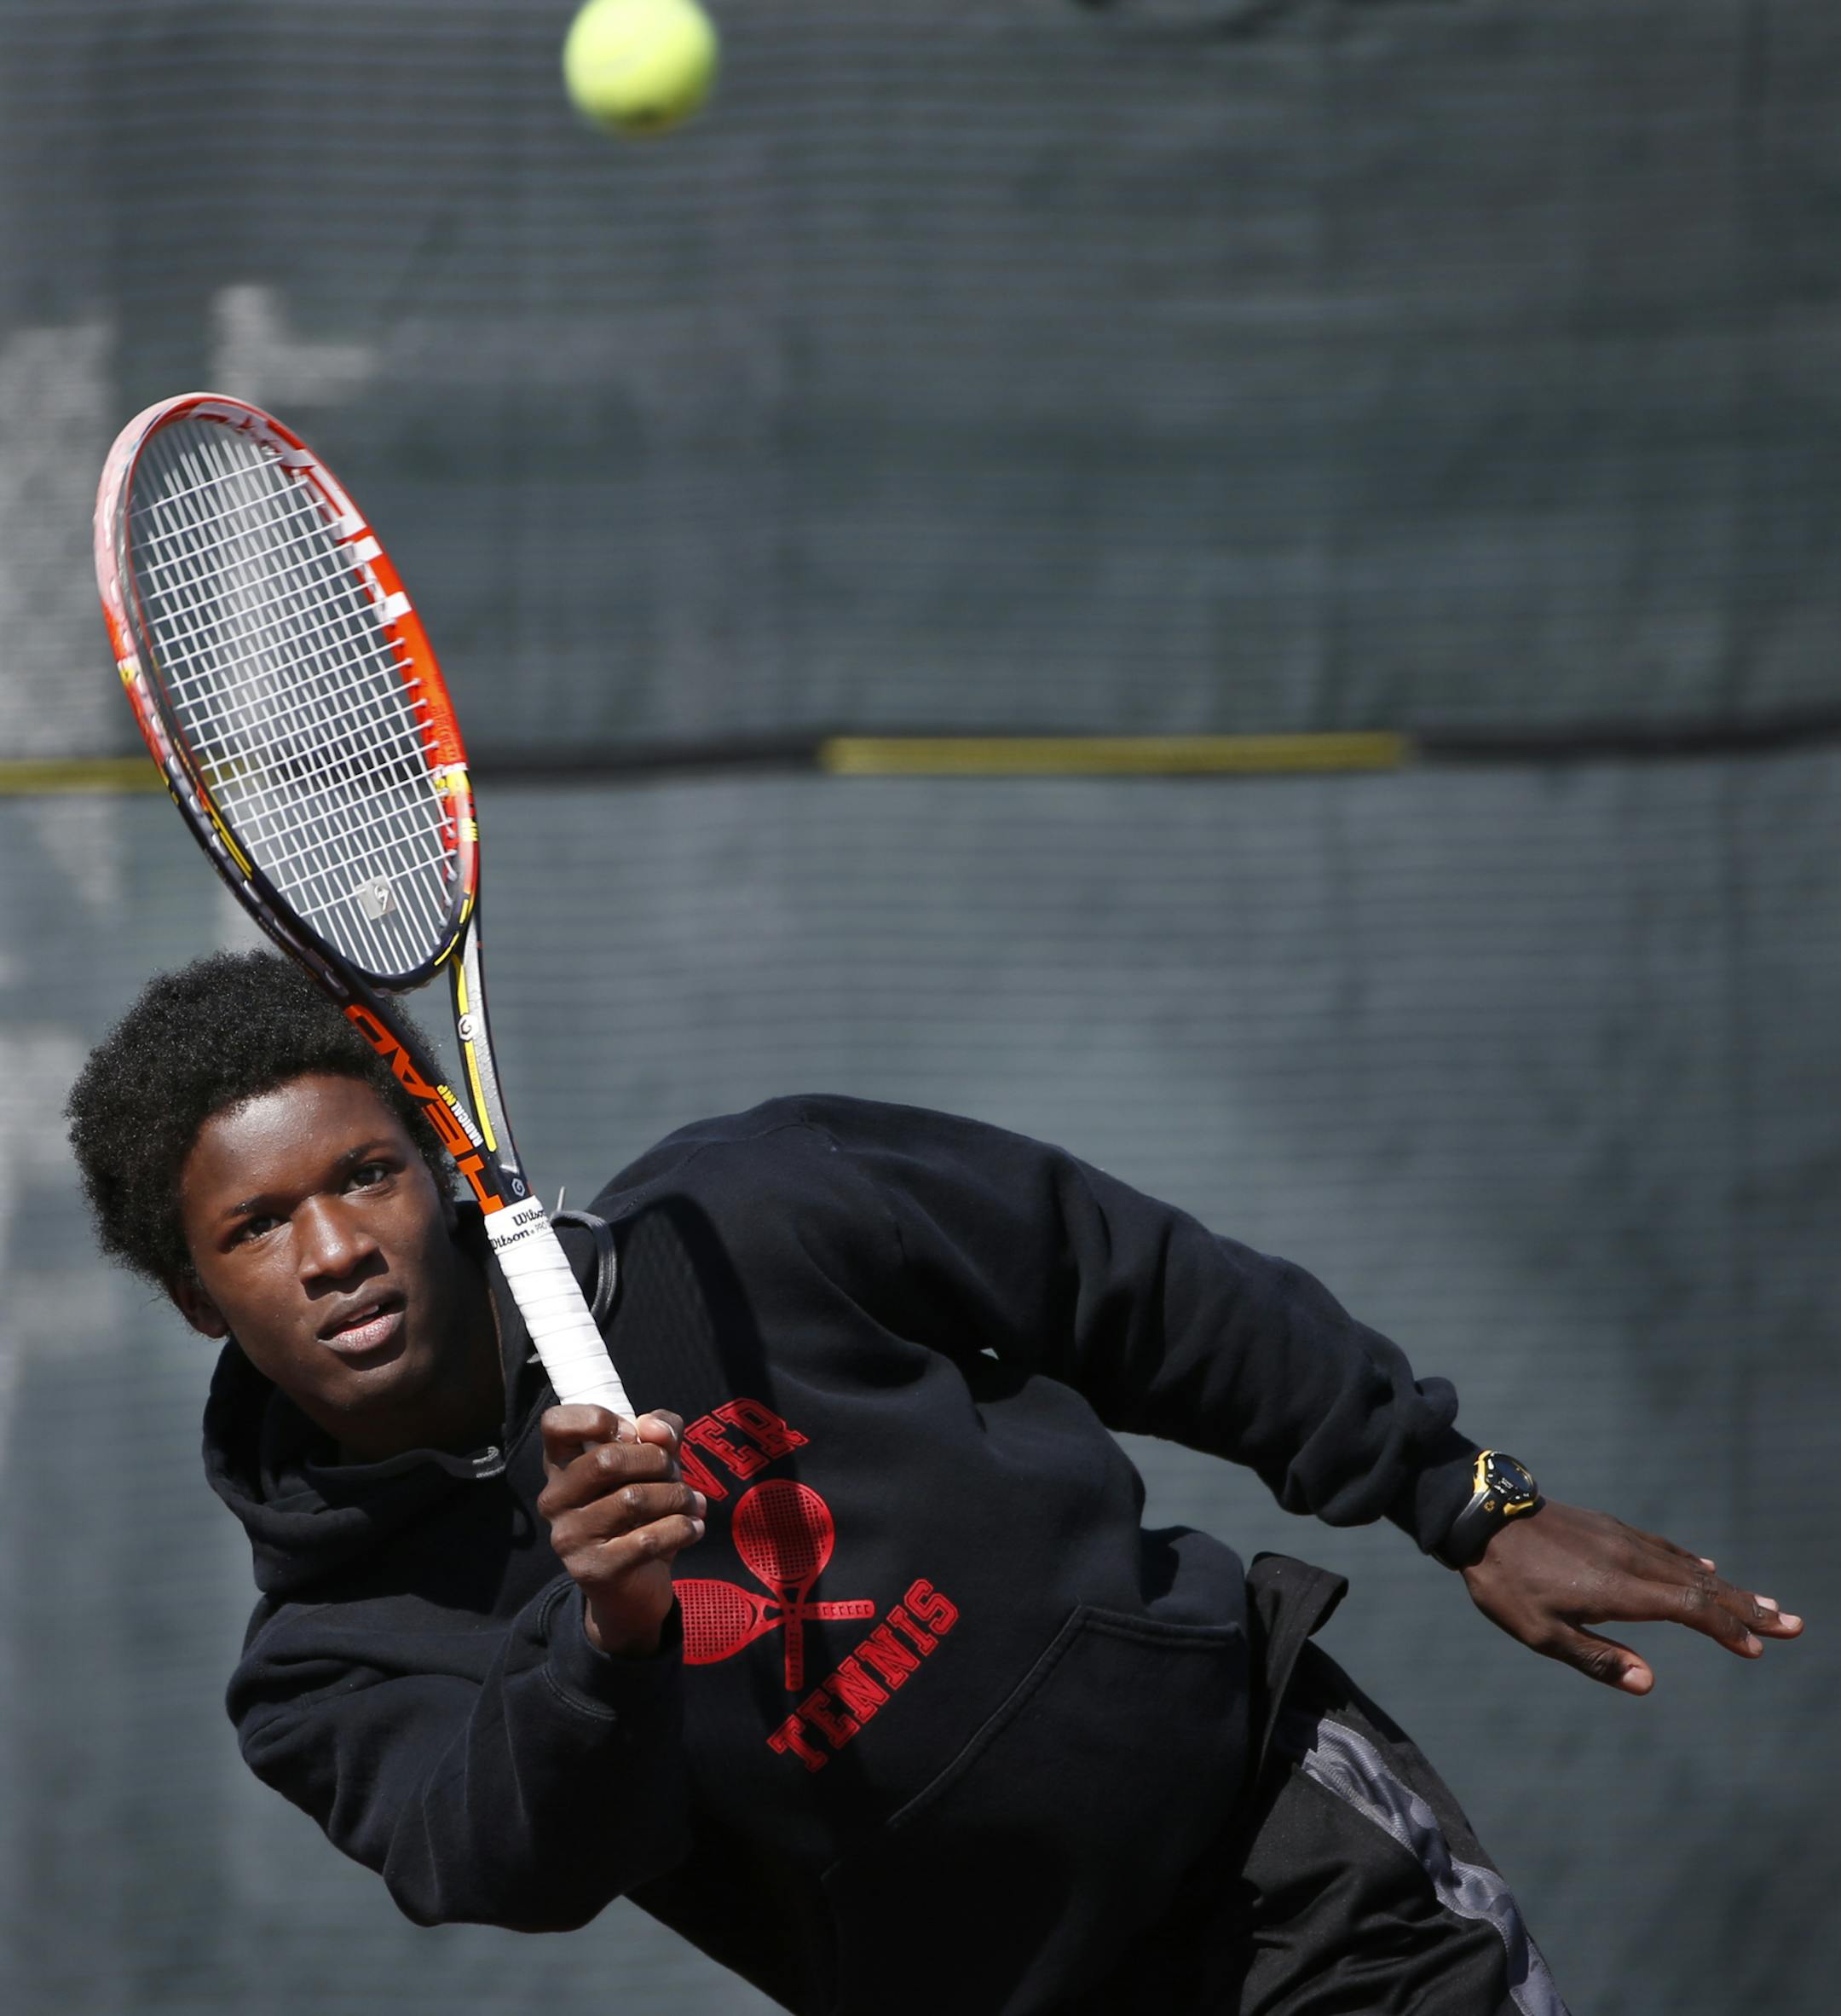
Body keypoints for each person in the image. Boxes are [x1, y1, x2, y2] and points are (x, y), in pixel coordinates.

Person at [66, 950, 1800, 2016]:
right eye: (256, 1226)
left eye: (364, 1175)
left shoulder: (750, 1212)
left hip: (1285, 1864)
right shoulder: (329, 1661)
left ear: (441, 1169)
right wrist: (600, 1639)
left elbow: (1137, 1283)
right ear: (191, 1289)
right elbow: (504, 1859)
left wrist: (1462, 1492)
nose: (335, 1249)